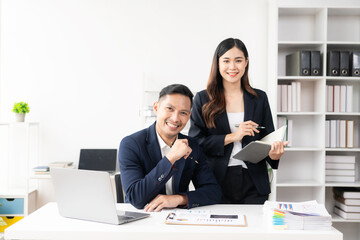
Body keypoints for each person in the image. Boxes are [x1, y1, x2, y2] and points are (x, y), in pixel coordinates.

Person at [189, 38, 288, 204]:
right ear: (218, 63)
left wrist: (274, 154)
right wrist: (233, 136)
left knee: (254, 227)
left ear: (246, 62)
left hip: (253, 180)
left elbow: (268, 138)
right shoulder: (203, 98)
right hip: (215, 179)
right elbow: (196, 142)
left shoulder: (259, 98)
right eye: (226, 61)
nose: (232, 67)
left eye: (238, 61)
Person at [119, 84, 221, 212]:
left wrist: (179, 199)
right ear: (156, 108)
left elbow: (213, 191)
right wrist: (171, 157)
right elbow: (136, 198)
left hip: (178, 218)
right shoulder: (131, 144)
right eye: (170, 109)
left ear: (189, 116)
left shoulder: (192, 145)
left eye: (183, 113)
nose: (175, 118)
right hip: (142, 218)